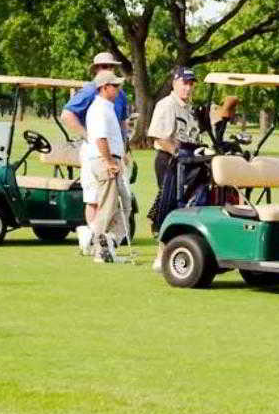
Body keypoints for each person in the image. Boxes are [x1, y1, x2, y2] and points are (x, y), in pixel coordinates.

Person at [60, 52, 130, 230]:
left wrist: (125, 149)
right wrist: (88, 135)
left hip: (115, 151)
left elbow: (123, 122)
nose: (108, 69)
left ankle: (104, 238)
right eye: (104, 66)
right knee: (93, 199)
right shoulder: (91, 90)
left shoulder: (119, 93)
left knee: (119, 198)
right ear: (97, 69)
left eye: (110, 66)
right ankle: (94, 239)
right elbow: (67, 115)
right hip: (96, 150)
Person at [147, 66, 200, 271]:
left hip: (189, 163)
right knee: (170, 206)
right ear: (174, 83)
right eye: (184, 83)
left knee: (188, 206)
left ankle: (181, 249)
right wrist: (179, 154)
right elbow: (160, 137)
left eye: (190, 84)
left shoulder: (189, 108)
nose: (187, 87)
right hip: (169, 161)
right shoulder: (167, 105)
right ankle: (161, 255)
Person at [85, 70, 130, 263]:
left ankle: (109, 243)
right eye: (115, 86)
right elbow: (100, 138)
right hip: (106, 161)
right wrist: (110, 161)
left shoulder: (107, 107)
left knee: (125, 204)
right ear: (104, 88)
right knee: (108, 206)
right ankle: (98, 248)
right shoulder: (100, 109)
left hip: (111, 159)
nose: (119, 89)